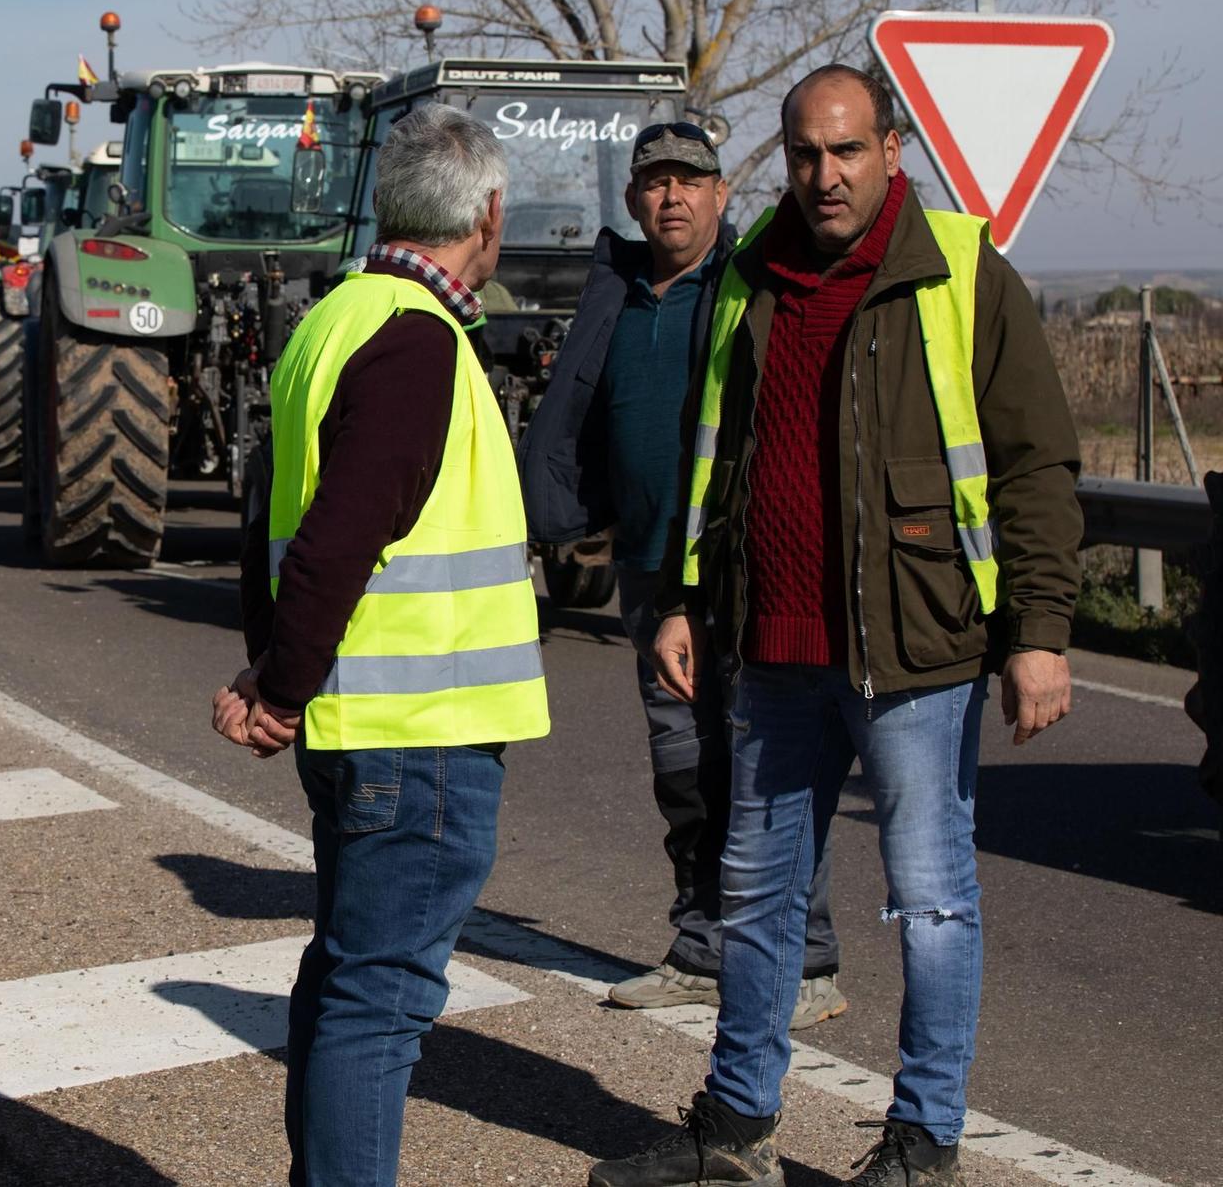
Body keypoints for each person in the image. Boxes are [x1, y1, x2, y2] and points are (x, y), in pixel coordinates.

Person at [589, 64, 1081, 1187]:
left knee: (932, 901)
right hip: (771, 653)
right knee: (754, 900)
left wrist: (1038, 631)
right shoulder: (751, 273)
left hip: (916, 649)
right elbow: (712, 453)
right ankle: (734, 1132)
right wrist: (680, 597)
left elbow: (1035, 464)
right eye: (804, 154)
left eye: (847, 150)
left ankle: (920, 1142)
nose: (824, 175)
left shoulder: (957, 271)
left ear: (891, 148)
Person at [214, 103, 549, 1186]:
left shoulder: (334, 318)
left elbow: (272, 508)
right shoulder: (418, 340)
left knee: (346, 983)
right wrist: (277, 685)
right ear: (487, 215)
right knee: (379, 1004)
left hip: (363, 724)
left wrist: (272, 668)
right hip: (424, 735)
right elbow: (340, 529)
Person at [520, 123, 847, 1029]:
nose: (671, 197)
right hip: (649, 570)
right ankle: (703, 949)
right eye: (654, 183)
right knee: (686, 771)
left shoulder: (752, 287)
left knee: (770, 767)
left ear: (720, 193)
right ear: (632, 201)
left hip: (748, 569)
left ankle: (807, 960)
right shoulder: (616, 293)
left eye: (689, 181)